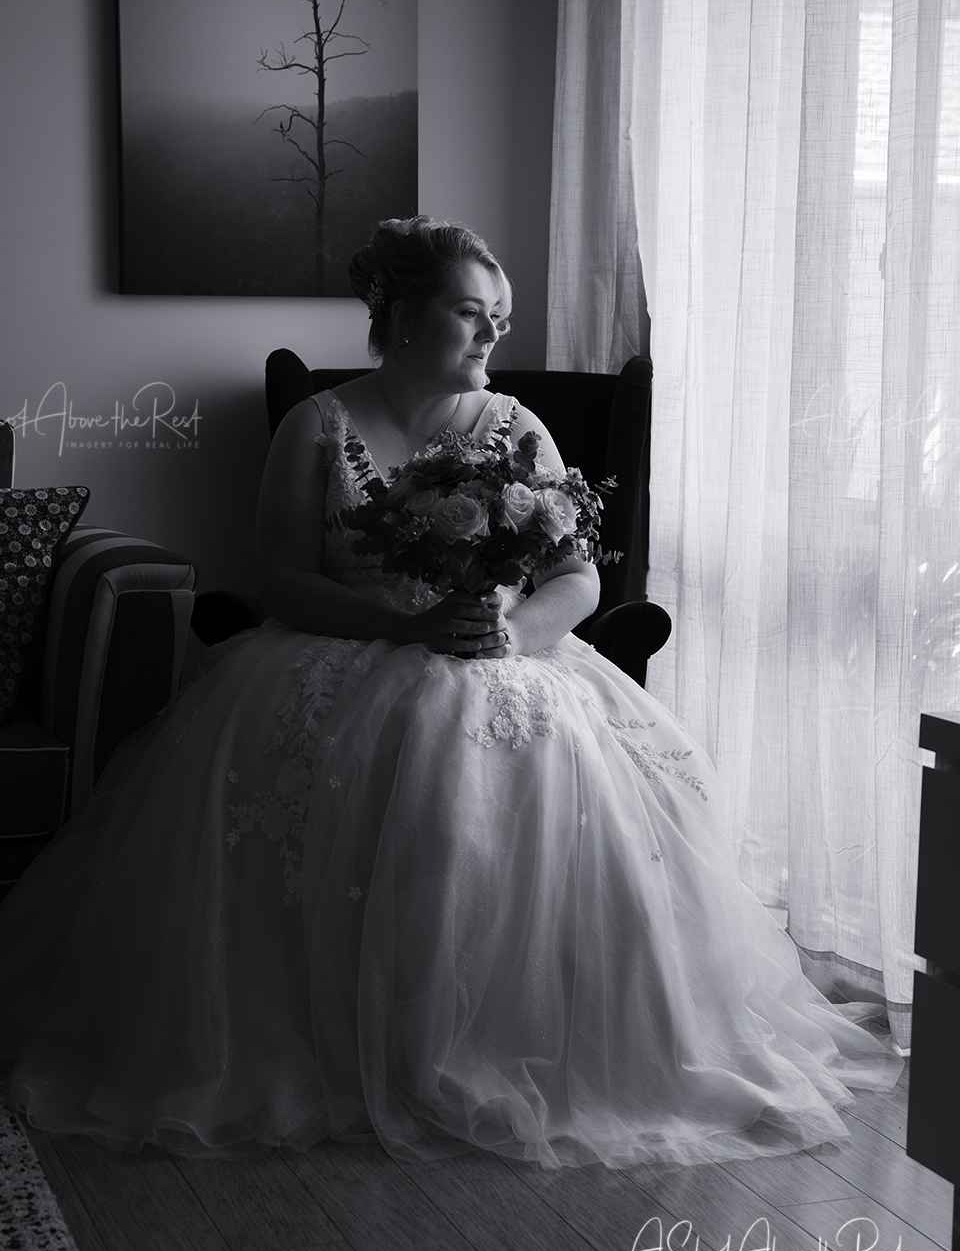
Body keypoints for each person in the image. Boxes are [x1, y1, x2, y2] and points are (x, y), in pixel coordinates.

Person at [0, 217, 900, 1166]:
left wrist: (515, 634)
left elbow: (577, 577)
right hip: (347, 647)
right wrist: (404, 627)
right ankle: (345, 1039)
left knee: (545, 762)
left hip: (507, 656)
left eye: (499, 317)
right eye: (471, 313)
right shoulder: (318, 424)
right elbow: (282, 577)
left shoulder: (518, 428)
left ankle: (529, 1039)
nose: (492, 334)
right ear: (401, 316)